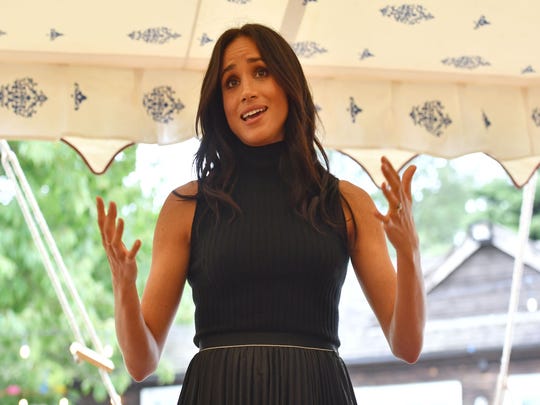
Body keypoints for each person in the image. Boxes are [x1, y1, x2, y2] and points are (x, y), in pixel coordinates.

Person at [96, 23, 426, 405]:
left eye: (260, 72)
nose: (246, 91)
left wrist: (409, 252)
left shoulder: (349, 203)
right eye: (230, 83)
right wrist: (123, 290)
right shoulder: (184, 207)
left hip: (315, 392)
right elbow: (140, 364)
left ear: (289, 83)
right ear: (219, 104)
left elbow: (408, 345)